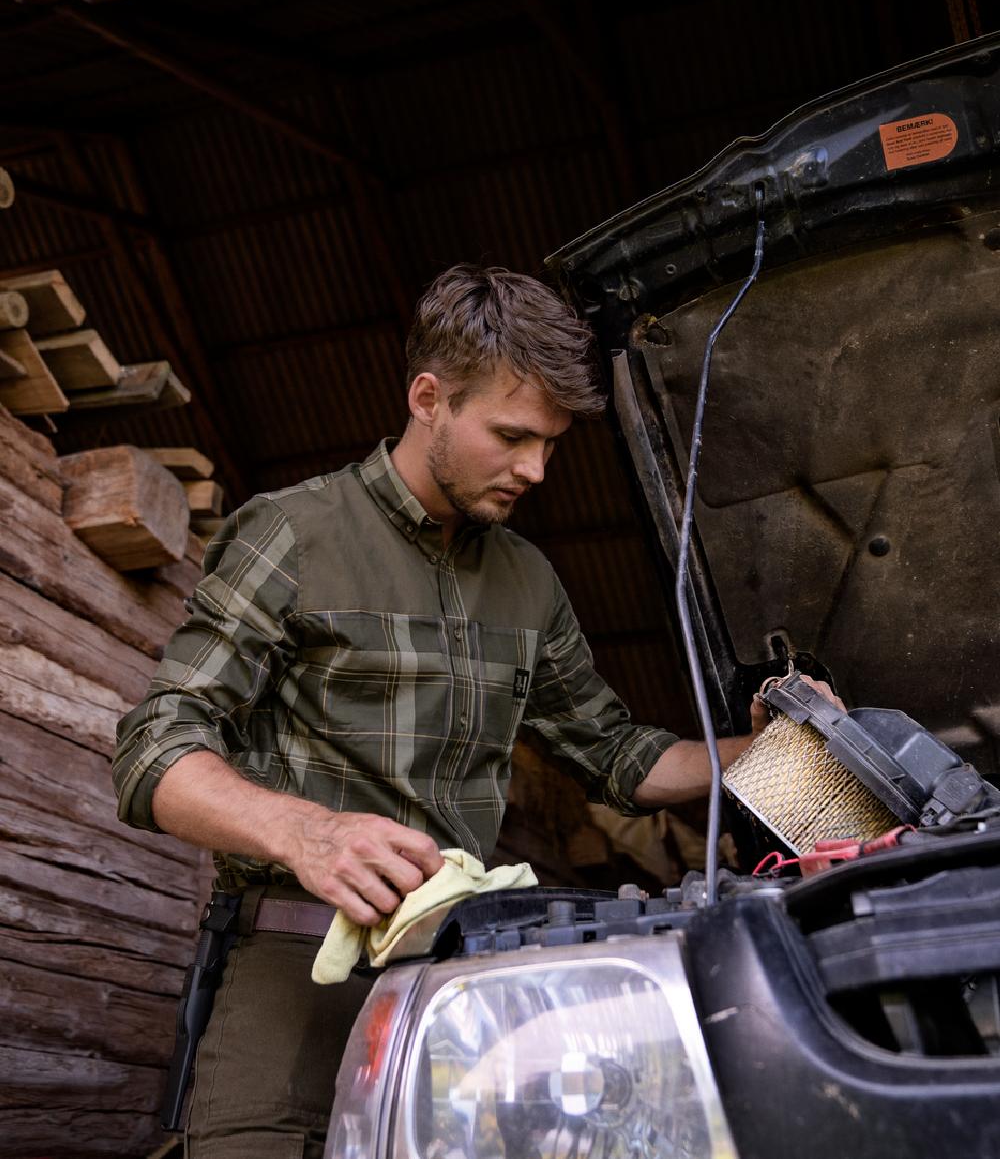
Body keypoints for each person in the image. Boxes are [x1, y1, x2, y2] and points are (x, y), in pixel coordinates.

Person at [114, 264, 830, 1157]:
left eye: (551, 445)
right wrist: (309, 836)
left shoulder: (530, 581)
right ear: (428, 399)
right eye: (512, 436)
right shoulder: (293, 533)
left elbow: (620, 756)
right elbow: (153, 750)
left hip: (465, 983)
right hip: (295, 966)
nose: (535, 469)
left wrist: (770, 750)